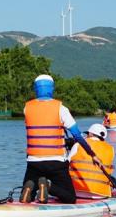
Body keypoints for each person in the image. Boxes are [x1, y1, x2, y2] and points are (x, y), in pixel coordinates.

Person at [21, 74, 78, 204]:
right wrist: (91, 153)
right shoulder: (61, 108)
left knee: (30, 186)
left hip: (33, 163)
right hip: (56, 163)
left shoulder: (27, 108)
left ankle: (31, 189)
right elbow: (77, 135)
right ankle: (48, 186)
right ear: (51, 88)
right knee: (70, 197)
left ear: (36, 89)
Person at [68, 123, 116, 199]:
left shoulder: (78, 145)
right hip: (101, 194)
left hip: (76, 191)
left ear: (90, 133)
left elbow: (65, 165)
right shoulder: (111, 149)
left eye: (87, 134)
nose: (86, 136)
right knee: (113, 179)